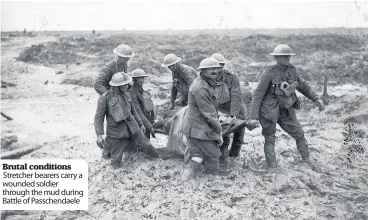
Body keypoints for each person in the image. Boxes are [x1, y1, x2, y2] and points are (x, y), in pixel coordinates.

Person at [249, 44, 325, 168]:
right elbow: (257, 95)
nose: (287, 58)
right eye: (284, 56)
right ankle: (272, 167)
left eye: (288, 56)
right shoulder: (269, 73)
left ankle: (307, 160)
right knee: (270, 138)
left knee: (299, 134)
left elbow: (303, 85)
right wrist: (253, 117)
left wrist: (316, 98)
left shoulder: (292, 70)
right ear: (276, 58)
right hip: (269, 112)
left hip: (286, 110)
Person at [94, 72, 159, 168]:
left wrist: (141, 124)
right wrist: (99, 135)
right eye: (124, 85)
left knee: (147, 146)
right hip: (116, 133)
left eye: (127, 84)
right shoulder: (105, 98)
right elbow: (99, 118)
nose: (127, 86)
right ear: (116, 86)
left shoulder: (127, 94)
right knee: (115, 161)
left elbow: (134, 111)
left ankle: (159, 162)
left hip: (133, 129)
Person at [181, 57, 231, 181]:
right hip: (197, 127)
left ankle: (197, 174)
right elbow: (209, 114)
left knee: (198, 156)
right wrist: (218, 132)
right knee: (215, 153)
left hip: (196, 125)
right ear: (202, 71)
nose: (214, 71)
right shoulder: (200, 88)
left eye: (216, 68)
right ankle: (209, 172)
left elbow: (211, 109)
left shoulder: (207, 82)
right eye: (210, 69)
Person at [211, 53, 258, 166]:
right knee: (223, 134)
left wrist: (233, 115)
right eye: (215, 67)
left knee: (238, 135)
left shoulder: (232, 77)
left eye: (221, 66)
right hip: (220, 108)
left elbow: (236, 97)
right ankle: (223, 156)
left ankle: (233, 156)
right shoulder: (207, 77)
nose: (218, 69)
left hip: (236, 108)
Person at [128, 69, 156, 139]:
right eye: (139, 78)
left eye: (142, 78)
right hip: (138, 123)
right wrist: (149, 126)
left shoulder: (143, 91)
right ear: (134, 79)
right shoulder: (132, 92)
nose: (142, 80)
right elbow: (137, 111)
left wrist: (152, 120)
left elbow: (149, 107)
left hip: (146, 121)